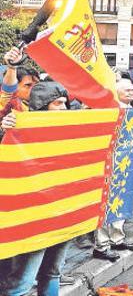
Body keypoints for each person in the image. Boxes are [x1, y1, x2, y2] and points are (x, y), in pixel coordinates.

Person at [0, 81, 75, 296]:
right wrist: (6, 130)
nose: (63, 108)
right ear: (42, 105)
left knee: (53, 272)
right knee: (22, 281)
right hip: (34, 219)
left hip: (63, 213)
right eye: (57, 103)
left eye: (65, 103)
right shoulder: (20, 127)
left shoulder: (73, 129)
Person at [93, 78, 133, 261]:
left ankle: (117, 238)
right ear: (117, 91)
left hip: (125, 162)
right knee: (105, 202)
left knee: (120, 199)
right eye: (126, 90)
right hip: (109, 162)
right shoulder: (109, 109)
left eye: (132, 90)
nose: (131, 92)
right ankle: (102, 244)